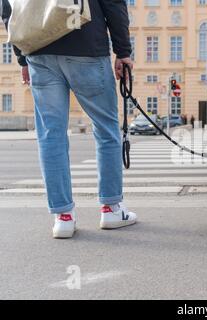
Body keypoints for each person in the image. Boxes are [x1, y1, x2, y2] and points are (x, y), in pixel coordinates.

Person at [2, 0, 138, 239]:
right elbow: (113, 3)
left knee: (50, 136)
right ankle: (111, 209)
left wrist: (23, 58)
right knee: (106, 130)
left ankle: (63, 216)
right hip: (86, 44)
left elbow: (8, 8)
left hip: (39, 48)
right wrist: (123, 52)